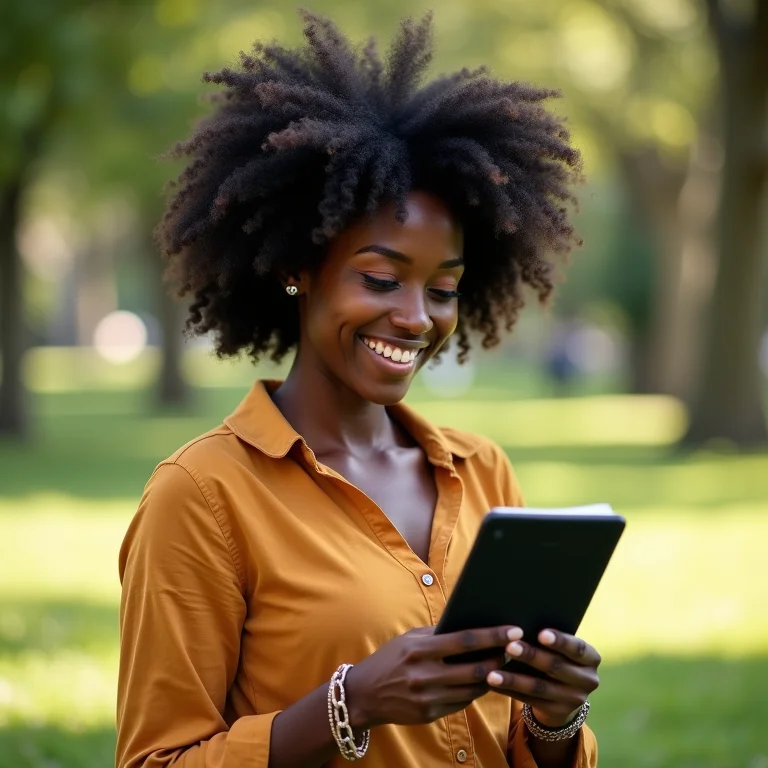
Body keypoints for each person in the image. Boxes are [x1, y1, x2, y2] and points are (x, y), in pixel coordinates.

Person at [116, 11, 600, 768]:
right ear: (296, 269)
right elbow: (155, 760)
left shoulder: (483, 473)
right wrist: (351, 703)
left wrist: (556, 716)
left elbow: (511, 744)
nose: (415, 317)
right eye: (380, 279)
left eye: (443, 289)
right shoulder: (203, 495)